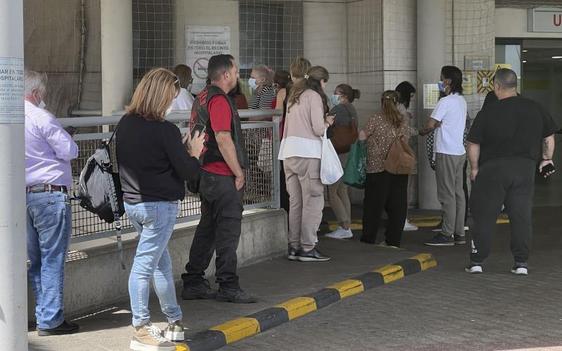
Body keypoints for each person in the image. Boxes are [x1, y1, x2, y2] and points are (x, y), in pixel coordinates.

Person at [116, 68, 204, 350]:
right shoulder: (165, 130)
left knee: (159, 263)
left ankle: (174, 320)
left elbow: (144, 159)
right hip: (159, 207)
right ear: (162, 97)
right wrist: (194, 152)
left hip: (133, 204)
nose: (171, 104)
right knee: (145, 266)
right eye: (171, 98)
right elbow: (188, 171)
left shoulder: (125, 123)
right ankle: (140, 328)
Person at [465, 68, 557, 275]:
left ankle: (477, 261)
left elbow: (473, 144)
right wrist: (546, 159)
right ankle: (521, 263)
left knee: (484, 215)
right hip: (524, 168)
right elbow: (549, 137)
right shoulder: (535, 108)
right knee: (521, 215)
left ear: (497, 86)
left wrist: (474, 168)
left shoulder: (488, 112)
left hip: (492, 169)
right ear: (515, 86)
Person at [181, 54, 256, 303]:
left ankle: (193, 281)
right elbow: (223, 139)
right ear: (225, 75)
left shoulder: (200, 97)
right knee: (227, 231)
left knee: (208, 229)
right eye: (235, 72)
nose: (237, 76)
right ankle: (228, 285)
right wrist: (238, 172)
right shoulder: (220, 100)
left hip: (205, 174)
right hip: (222, 175)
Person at [25, 70, 80, 336]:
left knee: (36, 261)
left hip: (21, 196)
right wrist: (67, 136)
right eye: (43, 94)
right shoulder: (41, 116)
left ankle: (41, 315)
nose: (44, 98)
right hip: (49, 195)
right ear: (35, 93)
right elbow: (70, 151)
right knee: (53, 258)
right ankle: (51, 319)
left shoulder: (9, 118)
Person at [278, 65, 334, 262]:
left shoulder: (294, 95)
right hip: (308, 155)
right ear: (321, 81)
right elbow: (318, 129)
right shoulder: (314, 96)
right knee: (312, 202)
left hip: (288, 153)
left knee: (296, 203)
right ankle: (308, 248)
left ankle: (294, 246)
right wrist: (327, 121)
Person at [358, 91, 417, 248]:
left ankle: (368, 238)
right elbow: (407, 138)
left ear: (381, 102)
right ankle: (393, 241)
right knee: (398, 205)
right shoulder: (403, 119)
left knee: (374, 205)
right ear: (397, 103)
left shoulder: (376, 118)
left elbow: (362, 136)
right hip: (399, 167)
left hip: (378, 168)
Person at [420, 66, 467, 247]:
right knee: (458, 193)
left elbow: (430, 124)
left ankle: (446, 234)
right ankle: (459, 232)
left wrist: (422, 132)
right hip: (459, 152)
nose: (440, 82)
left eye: (441, 78)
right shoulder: (461, 101)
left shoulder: (445, 102)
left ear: (447, 81)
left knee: (446, 194)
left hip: (446, 152)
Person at [325, 83, 360, 240]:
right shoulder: (351, 109)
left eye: (336, 93)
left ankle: (344, 225)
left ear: (344, 96)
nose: (333, 95)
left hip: (338, 152)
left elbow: (327, 124)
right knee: (342, 190)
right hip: (349, 151)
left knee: (332, 191)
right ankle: (347, 225)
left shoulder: (339, 109)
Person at [279, 58, 312, 218]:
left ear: (292, 73)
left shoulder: (287, 92)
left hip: (287, 147)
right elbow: (318, 127)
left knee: (294, 199)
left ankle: (294, 239)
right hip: (308, 151)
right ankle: (307, 240)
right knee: (308, 199)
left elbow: (279, 117)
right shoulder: (312, 94)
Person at [395, 81, 419, 232]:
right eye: (411, 96)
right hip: (403, 152)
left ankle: (397, 218)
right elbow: (403, 133)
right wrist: (418, 131)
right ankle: (402, 219)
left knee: (397, 187)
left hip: (392, 153)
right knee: (404, 188)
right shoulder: (402, 110)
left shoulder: (393, 108)